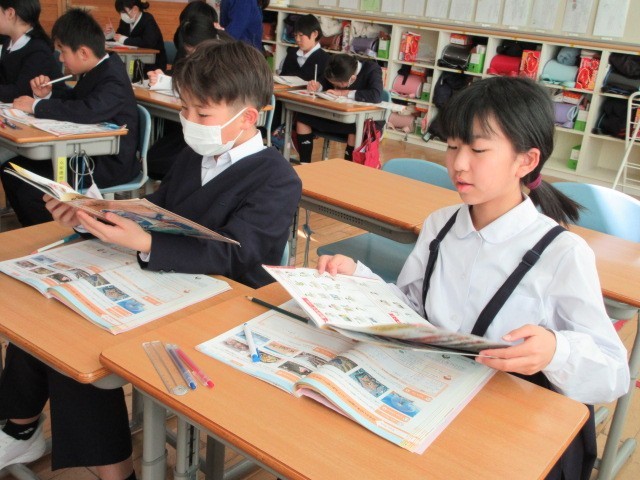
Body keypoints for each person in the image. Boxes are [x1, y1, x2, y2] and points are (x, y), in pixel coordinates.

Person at [0, 39, 300, 479]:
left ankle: (113, 470)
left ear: (247, 118)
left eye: (202, 114)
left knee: (79, 344)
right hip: (169, 282)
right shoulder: (196, 153)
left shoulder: (277, 178)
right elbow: (157, 207)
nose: (189, 121)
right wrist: (93, 215)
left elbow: (237, 255)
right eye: (185, 109)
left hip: (225, 307)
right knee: (51, 316)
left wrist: (146, 243)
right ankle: (20, 427)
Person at [317, 77, 629, 479]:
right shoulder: (440, 225)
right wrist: (359, 278)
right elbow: (412, 309)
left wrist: (556, 350)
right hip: (433, 395)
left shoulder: (562, 254)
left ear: (526, 161)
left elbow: (613, 375)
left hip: (511, 425)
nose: (458, 164)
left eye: (478, 150)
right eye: (452, 146)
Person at [0, 8, 139, 227]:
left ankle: (54, 231)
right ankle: (32, 229)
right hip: (83, 154)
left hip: (107, 164)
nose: (61, 59)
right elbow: (74, 100)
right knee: (11, 170)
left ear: (83, 53)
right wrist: (45, 95)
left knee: (32, 189)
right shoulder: (96, 69)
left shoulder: (113, 77)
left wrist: (36, 105)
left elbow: (87, 110)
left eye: (63, 52)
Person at [146, 18, 228, 179]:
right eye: (189, 53)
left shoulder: (225, 60)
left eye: (195, 52)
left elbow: (211, 91)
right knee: (156, 155)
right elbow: (181, 76)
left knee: (168, 159)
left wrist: (172, 84)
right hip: (190, 129)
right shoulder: (194, 57)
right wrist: (163, 80)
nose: (193, 57)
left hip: (210, 132)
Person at [296, 54, 383, 163]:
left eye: (337, 85)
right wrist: (318, 86)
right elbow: (325, 80)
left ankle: (347, 167)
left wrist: (344, 93)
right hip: (338, 115)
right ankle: (304, 164)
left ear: (351, 79)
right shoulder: (338, 65)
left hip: (361, 120)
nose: (334, 86)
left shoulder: (372, 69)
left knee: (356, 128)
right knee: (302, 118)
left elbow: (376, 95)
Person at [0, 0, 63, 103]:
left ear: (10, 13)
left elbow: (20, 93)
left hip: (49, 109)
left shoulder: (38, 50)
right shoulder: (9, 42)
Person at [105, 0, 166, 71]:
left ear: (135, 9)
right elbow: (119, 38)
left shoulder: (148, 19)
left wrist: (125, 40)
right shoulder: (125, 21)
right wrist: (109, 35)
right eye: (120, 12)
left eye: (124, 12)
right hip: (132, 61)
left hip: (152, 65)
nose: (122, 15)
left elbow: (148, 42)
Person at [279, 14, 329, 80]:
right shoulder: (291, 53)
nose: (297, 39)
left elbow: (326, 83)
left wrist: (318, 85)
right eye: (295, 35)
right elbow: (283, 76)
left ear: (315, 34)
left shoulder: (325, 59)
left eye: (301, 35)